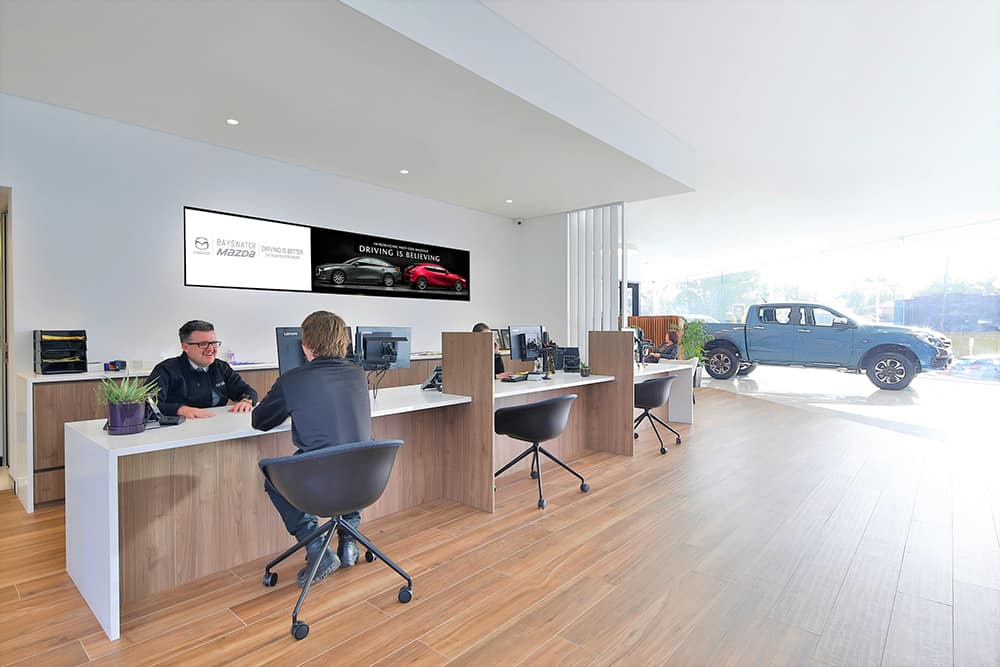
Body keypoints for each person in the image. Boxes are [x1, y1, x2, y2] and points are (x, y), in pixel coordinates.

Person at [252, 310, 371, 587]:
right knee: (348, 455)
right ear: (344, 343)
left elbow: (260, 421)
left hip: (317, 486)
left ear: (306, 345)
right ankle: (349, 544)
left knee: (273, 477)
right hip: (365, 480)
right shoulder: (358, 374)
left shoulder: (292, 380)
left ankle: (317, 547)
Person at [148, 320, 257, 418]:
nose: (210, 349)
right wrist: (180, 410)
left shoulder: (221, 367)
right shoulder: (166, 370)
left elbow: (247, 391)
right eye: (203, 344)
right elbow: (147, 404)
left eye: (213, 343)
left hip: (216, 424)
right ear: (185, 347)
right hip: (181, 428)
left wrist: (246, 401)